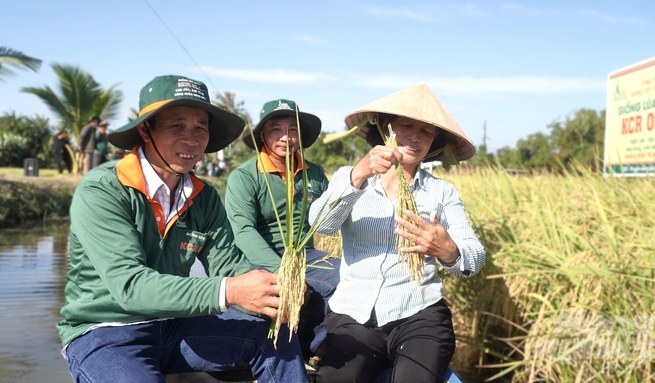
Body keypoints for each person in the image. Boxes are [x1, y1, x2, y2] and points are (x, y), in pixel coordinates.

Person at [57, 75, 308, 383]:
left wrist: (275, 294)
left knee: (276, 337)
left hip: (173, 325)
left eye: (200, 128)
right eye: (176, 126)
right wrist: (231, 291)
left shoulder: (203, 197)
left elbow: (229, 265)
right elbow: (131, 287)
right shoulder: (104, 190)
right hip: (105, 331)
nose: (192, 140)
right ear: (145, 129)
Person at [309, 84, 486, 383]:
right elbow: (320, 225)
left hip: (419, 314)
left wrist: (448, 251)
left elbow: (475, 257)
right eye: (406, 125)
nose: (415, 136)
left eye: (426, 131)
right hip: (354, 315)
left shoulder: (441, 192)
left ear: (434, 141)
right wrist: (359, 174)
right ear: (385, 126)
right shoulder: (348, 176)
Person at [225, 99, 340, 365]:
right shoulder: (245, 176)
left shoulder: (316, 174)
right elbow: (243, 231)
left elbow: (333, 216)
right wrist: (282, 271)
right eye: (276, 130)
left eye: (293, 130)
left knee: (346, 280)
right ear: (263, 135)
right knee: (277, 295)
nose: (285, 138)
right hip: (261, 255)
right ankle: (278, 353)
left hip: (306, 254)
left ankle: (318, 347)